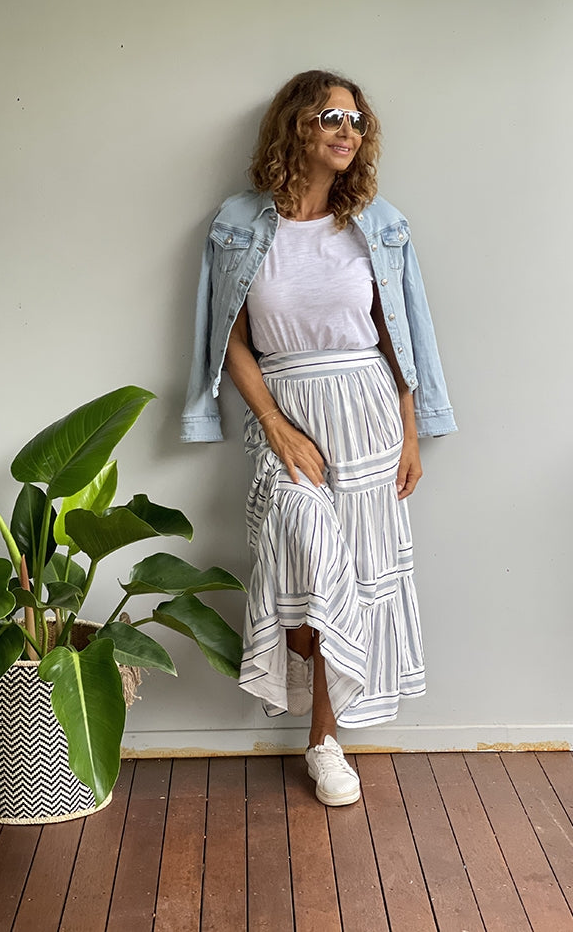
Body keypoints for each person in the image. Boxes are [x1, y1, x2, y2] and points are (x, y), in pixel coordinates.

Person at [181, 70, 456, 806]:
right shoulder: (239, 224)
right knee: (307, 558)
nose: (347, 130)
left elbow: (400, 338)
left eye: (358, 121)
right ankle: (303, 662)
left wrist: (410, 431)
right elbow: (226, 342)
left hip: (366, 409)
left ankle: (325, 741)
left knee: (355, 578)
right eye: (332, 115)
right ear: (294, 123)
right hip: (288, 410)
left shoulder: (377, 223)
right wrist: (272, 423)